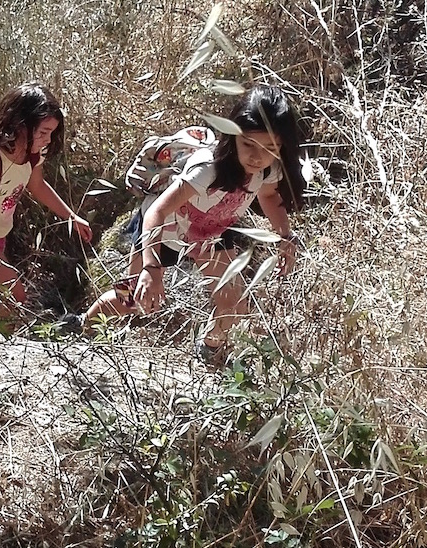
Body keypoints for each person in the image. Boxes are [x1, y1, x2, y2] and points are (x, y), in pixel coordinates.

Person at [69, 83, 305, 358]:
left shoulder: (268, 169)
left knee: (234, 303)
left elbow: (269, 197)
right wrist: (151, 267)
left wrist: (285, 235)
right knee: (133, 298)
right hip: (165, 229)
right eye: (248, 144)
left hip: (212, 233)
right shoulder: (208, 168)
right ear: (231, 136)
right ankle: (81, 326)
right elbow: (157, 211)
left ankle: (208, 352)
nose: (257, 156)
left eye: (270, 148)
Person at [0, 81, 92, 310]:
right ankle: (3, 339)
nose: (48, 140)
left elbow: (38, 186)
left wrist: (71, 216)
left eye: (51, 133)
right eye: (43, 132)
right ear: (21, 125)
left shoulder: (30, 155)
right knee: (14, 291)